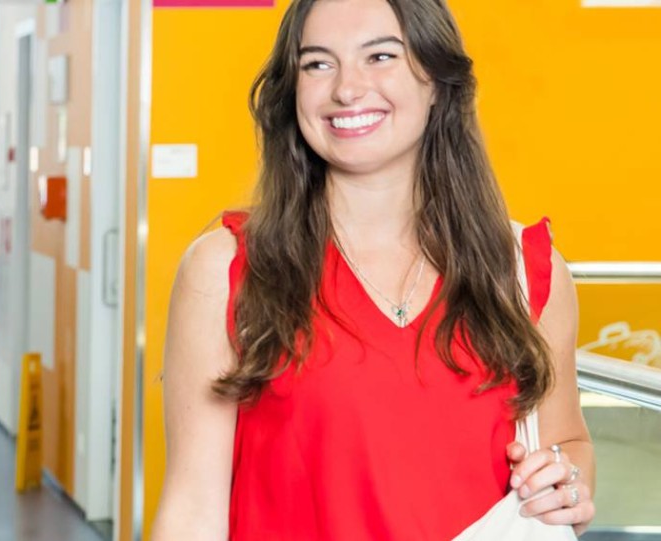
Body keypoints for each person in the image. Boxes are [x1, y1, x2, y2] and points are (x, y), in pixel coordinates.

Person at [152, 0, 594, 538]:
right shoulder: (228, 271)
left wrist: (565, 483)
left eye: (380, 55)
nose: (347, 87)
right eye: (317, 63)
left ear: (436, 78)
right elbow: (193, 511)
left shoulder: (523, 273)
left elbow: (569, 444)